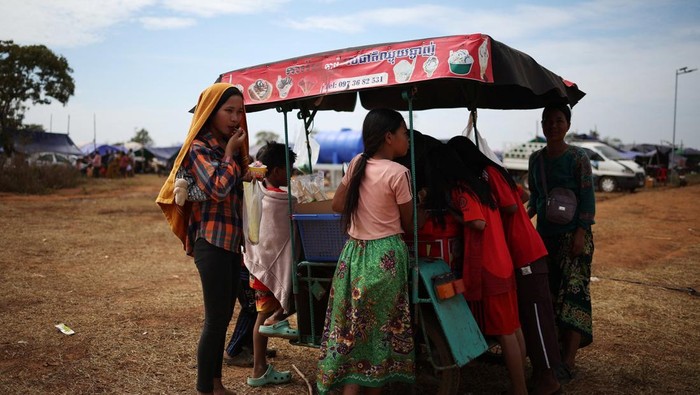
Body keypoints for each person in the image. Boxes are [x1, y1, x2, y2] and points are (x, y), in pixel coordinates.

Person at [156, 82, 251, 395]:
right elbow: (217, 187)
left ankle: (215, 383)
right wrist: (229, 154)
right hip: (211, 242)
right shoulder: (198, 148)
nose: (236, 117)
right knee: (215, 319)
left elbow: (236, 182)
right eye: (228, 111)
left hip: (230, 241)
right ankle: (204, 388)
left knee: (223, 317)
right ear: (211, 112)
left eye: (240, 111)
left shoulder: (230, 149)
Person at [451, 136, 561, 394]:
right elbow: (522, 196)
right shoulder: (489, 177)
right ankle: (525, 382)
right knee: (515, 325)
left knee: (523, 325)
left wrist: (465, 212)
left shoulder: (483, 178)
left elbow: (510, 206)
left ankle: (537, 382)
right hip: (510, 256)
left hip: (518, 254)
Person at [317, 108, 415, 395]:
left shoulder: (358, 162)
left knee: (354, 334)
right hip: (385, 258)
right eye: (404, 133)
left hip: (354, 258)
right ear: (389, 137)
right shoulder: (399, 173)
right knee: (379, 337)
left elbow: (337, 205)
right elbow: (408, 223)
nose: (407, 138)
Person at [425, 143, 527, 395]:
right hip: (503, 262)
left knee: (505, 333)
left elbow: (478, 222)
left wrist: (453, 213)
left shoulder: (462, 190)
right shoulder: (482, 185)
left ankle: (520, 389)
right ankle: (522, 383)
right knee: (513, 327)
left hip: (489, 266)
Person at [527, 104, 595, 382]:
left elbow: (588, 199)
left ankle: (569, 360)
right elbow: (535, 200)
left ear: (567, 124)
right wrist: (517, 221)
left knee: (574, 296)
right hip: (546, 238)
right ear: (542, 125)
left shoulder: (579, 158)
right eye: (548, 121)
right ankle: (552, 357)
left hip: (574, 238)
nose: (553, 126)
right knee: (549, 296)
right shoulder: (536, 160)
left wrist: (580, 233)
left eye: (558, 120)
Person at [243, 141, 298, 387]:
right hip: (270, 267)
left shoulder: (255, 192)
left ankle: (260, 367)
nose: (292, 173)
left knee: (261, 315)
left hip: (258, 265)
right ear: (276, 171)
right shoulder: (284, 200)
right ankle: (258, 369)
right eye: (289, 169)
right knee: (266, 315)